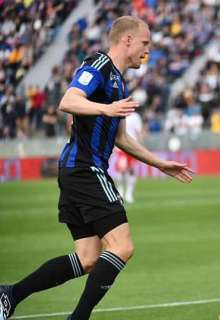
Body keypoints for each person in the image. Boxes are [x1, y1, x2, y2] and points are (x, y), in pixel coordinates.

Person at [0, 16, 194, 320]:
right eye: (145, 43)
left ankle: (10, 295)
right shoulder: (100, 65)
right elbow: (68, 100)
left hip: (77, 170)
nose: (148, 50)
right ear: (127, 40)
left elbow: (122, 139)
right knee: (122, 246)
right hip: (86, 168)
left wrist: (160, 163)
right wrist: (106, 108)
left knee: (88, 258)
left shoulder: (120, 81)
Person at [115, 111, 144, 204]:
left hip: (132, 146)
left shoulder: (136, 116)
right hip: (120, 147)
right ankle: (120, 190)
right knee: (121, 168)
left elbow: (139, 131)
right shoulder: (118, 113)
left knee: (131, 169)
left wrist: (139, 146)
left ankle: (129, 193)